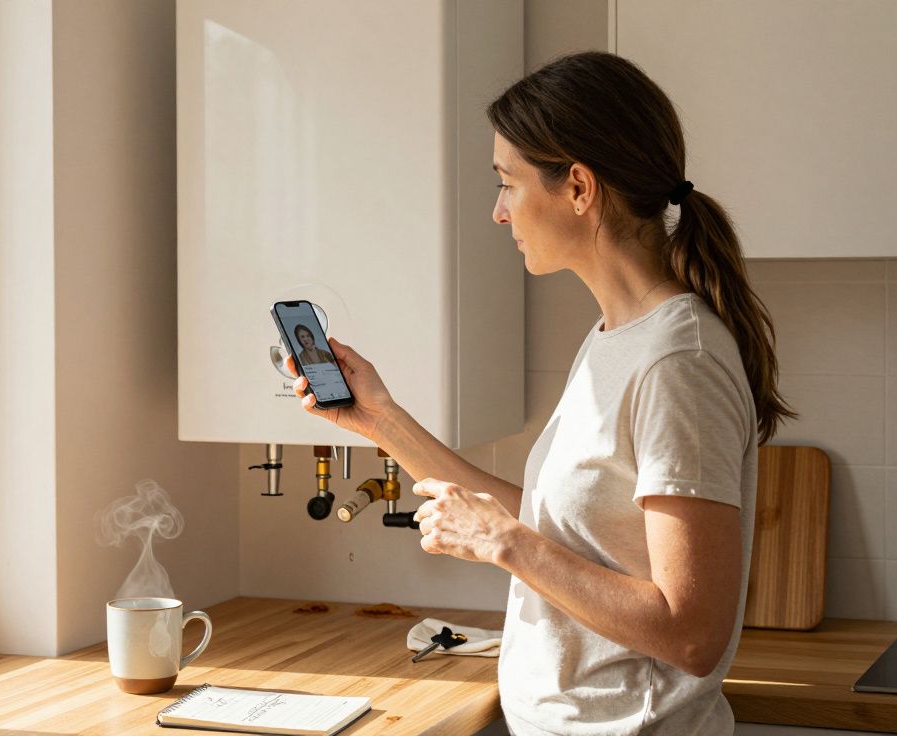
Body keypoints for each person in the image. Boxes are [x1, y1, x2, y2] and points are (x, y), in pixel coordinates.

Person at [287, 51, 795, 735]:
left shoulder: (680, 361)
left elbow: (692, 634)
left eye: (508, 183)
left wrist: (504, 544)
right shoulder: (619, 337)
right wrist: (381, 420)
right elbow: (564, 528)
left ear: (579, 187)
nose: (499, 212)